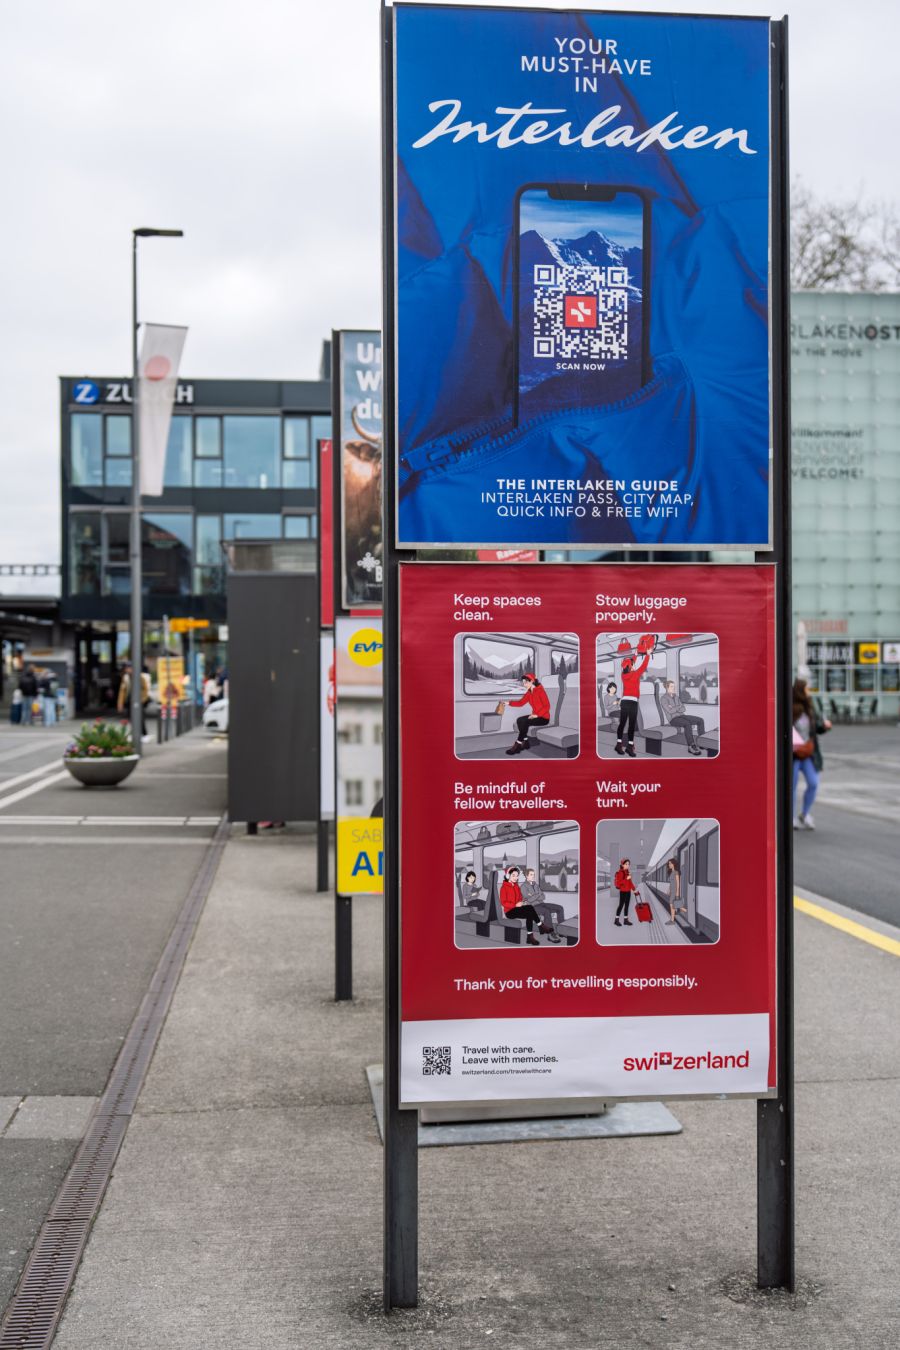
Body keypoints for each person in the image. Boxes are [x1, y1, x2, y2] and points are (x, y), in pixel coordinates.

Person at [792, 677, 831, 830]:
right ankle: (791, 817)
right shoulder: (789, 708)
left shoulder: (810, 707)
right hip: (793, 754)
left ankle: (805, 814)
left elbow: (816, 729)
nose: (809, 691)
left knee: (813, 783)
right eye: (807, 688)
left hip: (809, 752)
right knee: (791, 787)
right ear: (800, 690)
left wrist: (825, 726)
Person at [615, 640, 652, 757]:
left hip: (625, 701)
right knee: (631, 725)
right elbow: (644, 666)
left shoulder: (623, 674)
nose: (634, 665)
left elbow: (630, 663)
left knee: (622, 724)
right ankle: (630, 747)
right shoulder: (635, 674)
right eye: (632, 664)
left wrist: (635, 655)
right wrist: (648, 654)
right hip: (633, 702)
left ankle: (619, 744)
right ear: (630, 667)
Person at [500, 672, 551, 756]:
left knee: (525, 722)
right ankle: (526, 741)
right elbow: (520, 703)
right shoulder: (529, 693)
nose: (524, 684)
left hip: (543, 718)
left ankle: (518, 744)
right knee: (519, 720)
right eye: (523, 683)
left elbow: (547, 706)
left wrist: (537, 715)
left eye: (526, 682)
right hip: (535, 716)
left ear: (532, 681)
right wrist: (508, 703)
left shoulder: (540, 691)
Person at [499, 865, 548, 946]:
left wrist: (523, 902)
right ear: (508, 876)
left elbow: (520, 898)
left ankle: (530, 936)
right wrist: (515, 905)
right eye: (513, 875)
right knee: (530, 910)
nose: (516, 877)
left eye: (517, 875)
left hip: (517, 908)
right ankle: (540, 926)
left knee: (529, 909)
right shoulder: (503, 887)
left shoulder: (516, 886)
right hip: (509, 911)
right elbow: (503, 902)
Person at [659, 679, 706, 756]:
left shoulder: (676, 697)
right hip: (673, 719)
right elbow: (670, 711)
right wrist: (678, 707)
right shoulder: (663, 698)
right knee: (687, 724)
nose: (674, 688)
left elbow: (683, 708)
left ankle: (702, 742)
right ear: (667, 688)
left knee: (700, 720)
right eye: (672, 687)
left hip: (682, 715)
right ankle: (691, 746)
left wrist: (674, 707)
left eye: (674, 687)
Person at [519, 866, 563, 943]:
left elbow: (543, 896)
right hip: (531, 907)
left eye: (534, 874)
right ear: (526, 876)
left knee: (560, 908)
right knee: (546, 911)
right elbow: (528, 901)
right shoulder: (523, 887)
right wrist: (537, 895)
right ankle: (550, 934)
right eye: (531, 874)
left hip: (541, 903)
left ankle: (562, 930)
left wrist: (534, 896)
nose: (533, 876)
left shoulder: (535, 884)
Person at [117, 662, 152, 742]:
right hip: (130, 700)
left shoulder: (139, 677)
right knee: (131, 717)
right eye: (126, 668)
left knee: (141, 717)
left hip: (139, 701)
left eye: (129, 668)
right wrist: (120, 703)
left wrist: (142, 699)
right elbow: (122, 691)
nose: (127, 670)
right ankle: (134, 733)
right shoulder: (125, 678)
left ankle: (144, 734)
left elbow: (145, 689)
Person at [613, 857, 637, 927]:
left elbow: (630, 883)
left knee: (627, 906)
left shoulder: (628, 872)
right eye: (626, 864)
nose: (627, 865)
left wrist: (634, 890)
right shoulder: (620, 872)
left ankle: (625, 920)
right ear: (622, 864)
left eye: (628, 864)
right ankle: (616, 920)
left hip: (628, 891)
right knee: (621, 905)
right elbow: (618, 883)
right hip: (623, 892)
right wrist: (626, 878)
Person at [665, 858, 686, 925]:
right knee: (674, 905)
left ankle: (672, 920)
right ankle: (673, 919)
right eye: (669, 864)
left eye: (670, 863)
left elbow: (678, 883)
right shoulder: (671, 873)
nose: (669, 865)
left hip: (674, 891)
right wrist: (668, 890)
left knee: (672, 905)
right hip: (671, 891)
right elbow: (671, 883)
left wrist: (677, 894)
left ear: (674, 864)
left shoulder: (676, 872)